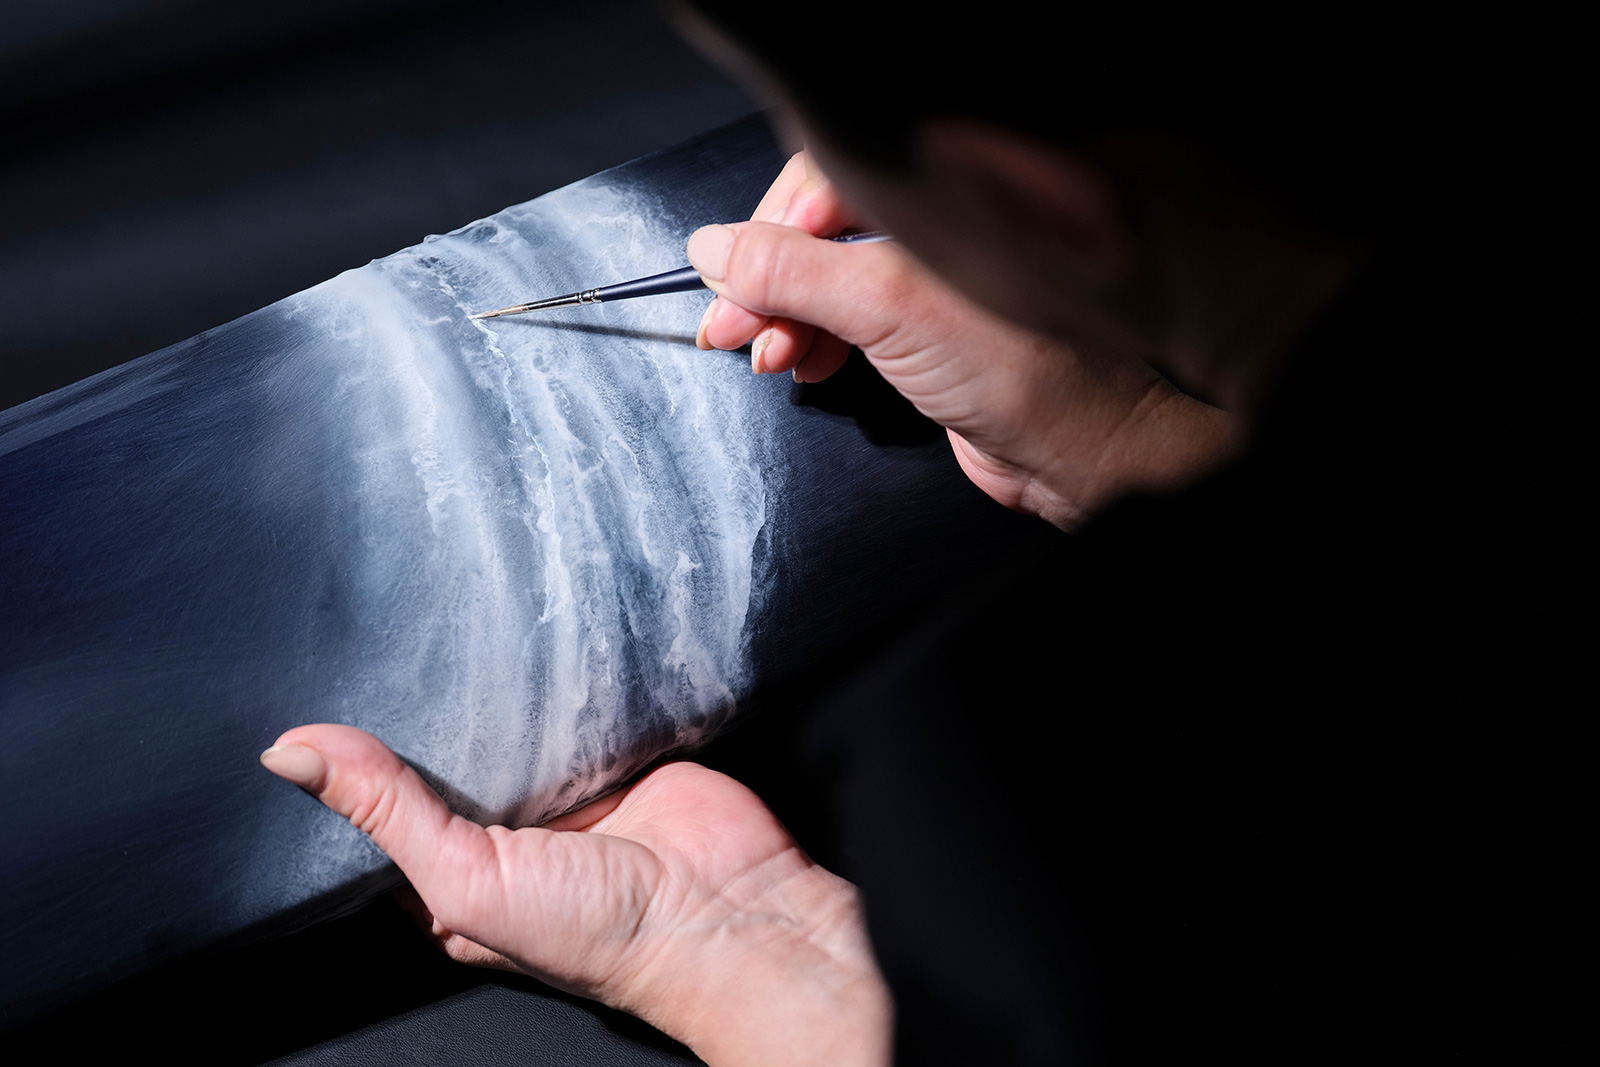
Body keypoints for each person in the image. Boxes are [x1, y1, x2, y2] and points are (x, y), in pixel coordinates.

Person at [262, 6, 1514, 1064]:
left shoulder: (1035, 782)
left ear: (1045, 210)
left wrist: (728, 952)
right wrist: (1127, 443)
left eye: (786, 117)